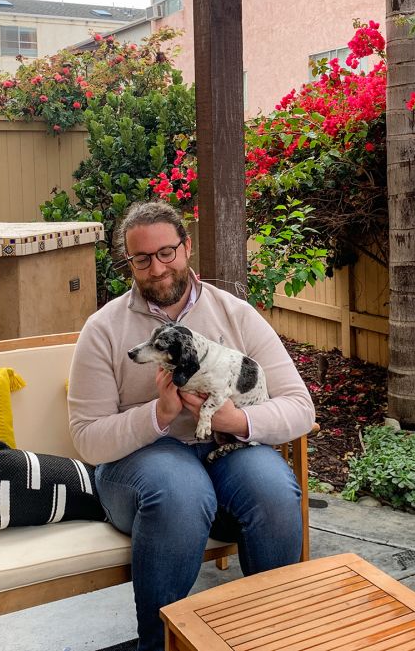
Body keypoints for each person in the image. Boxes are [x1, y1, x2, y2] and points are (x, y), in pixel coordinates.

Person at [68, 201, 315, 651]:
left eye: (166, 252)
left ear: (186, 248)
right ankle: (158, 645)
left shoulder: (234, 314)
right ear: (129, 263)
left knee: (274, 492)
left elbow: (301, 407)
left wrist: (236, 420)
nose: (157, 268)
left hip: (226, 449)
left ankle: (273, 638)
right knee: (182, 493)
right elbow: (87, 437)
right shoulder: (103, 329)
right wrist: (158, 415)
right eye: (141, 259)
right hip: (140, 467)